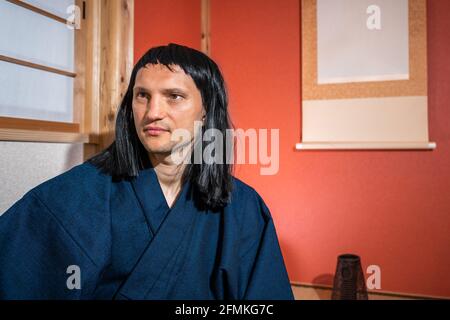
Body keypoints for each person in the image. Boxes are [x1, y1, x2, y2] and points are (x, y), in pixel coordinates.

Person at [0, 43, 294, 300]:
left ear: (205, 109)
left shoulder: (242, 207)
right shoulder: (79, 193)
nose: (153, 112)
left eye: (173, 96)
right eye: (142, 95)